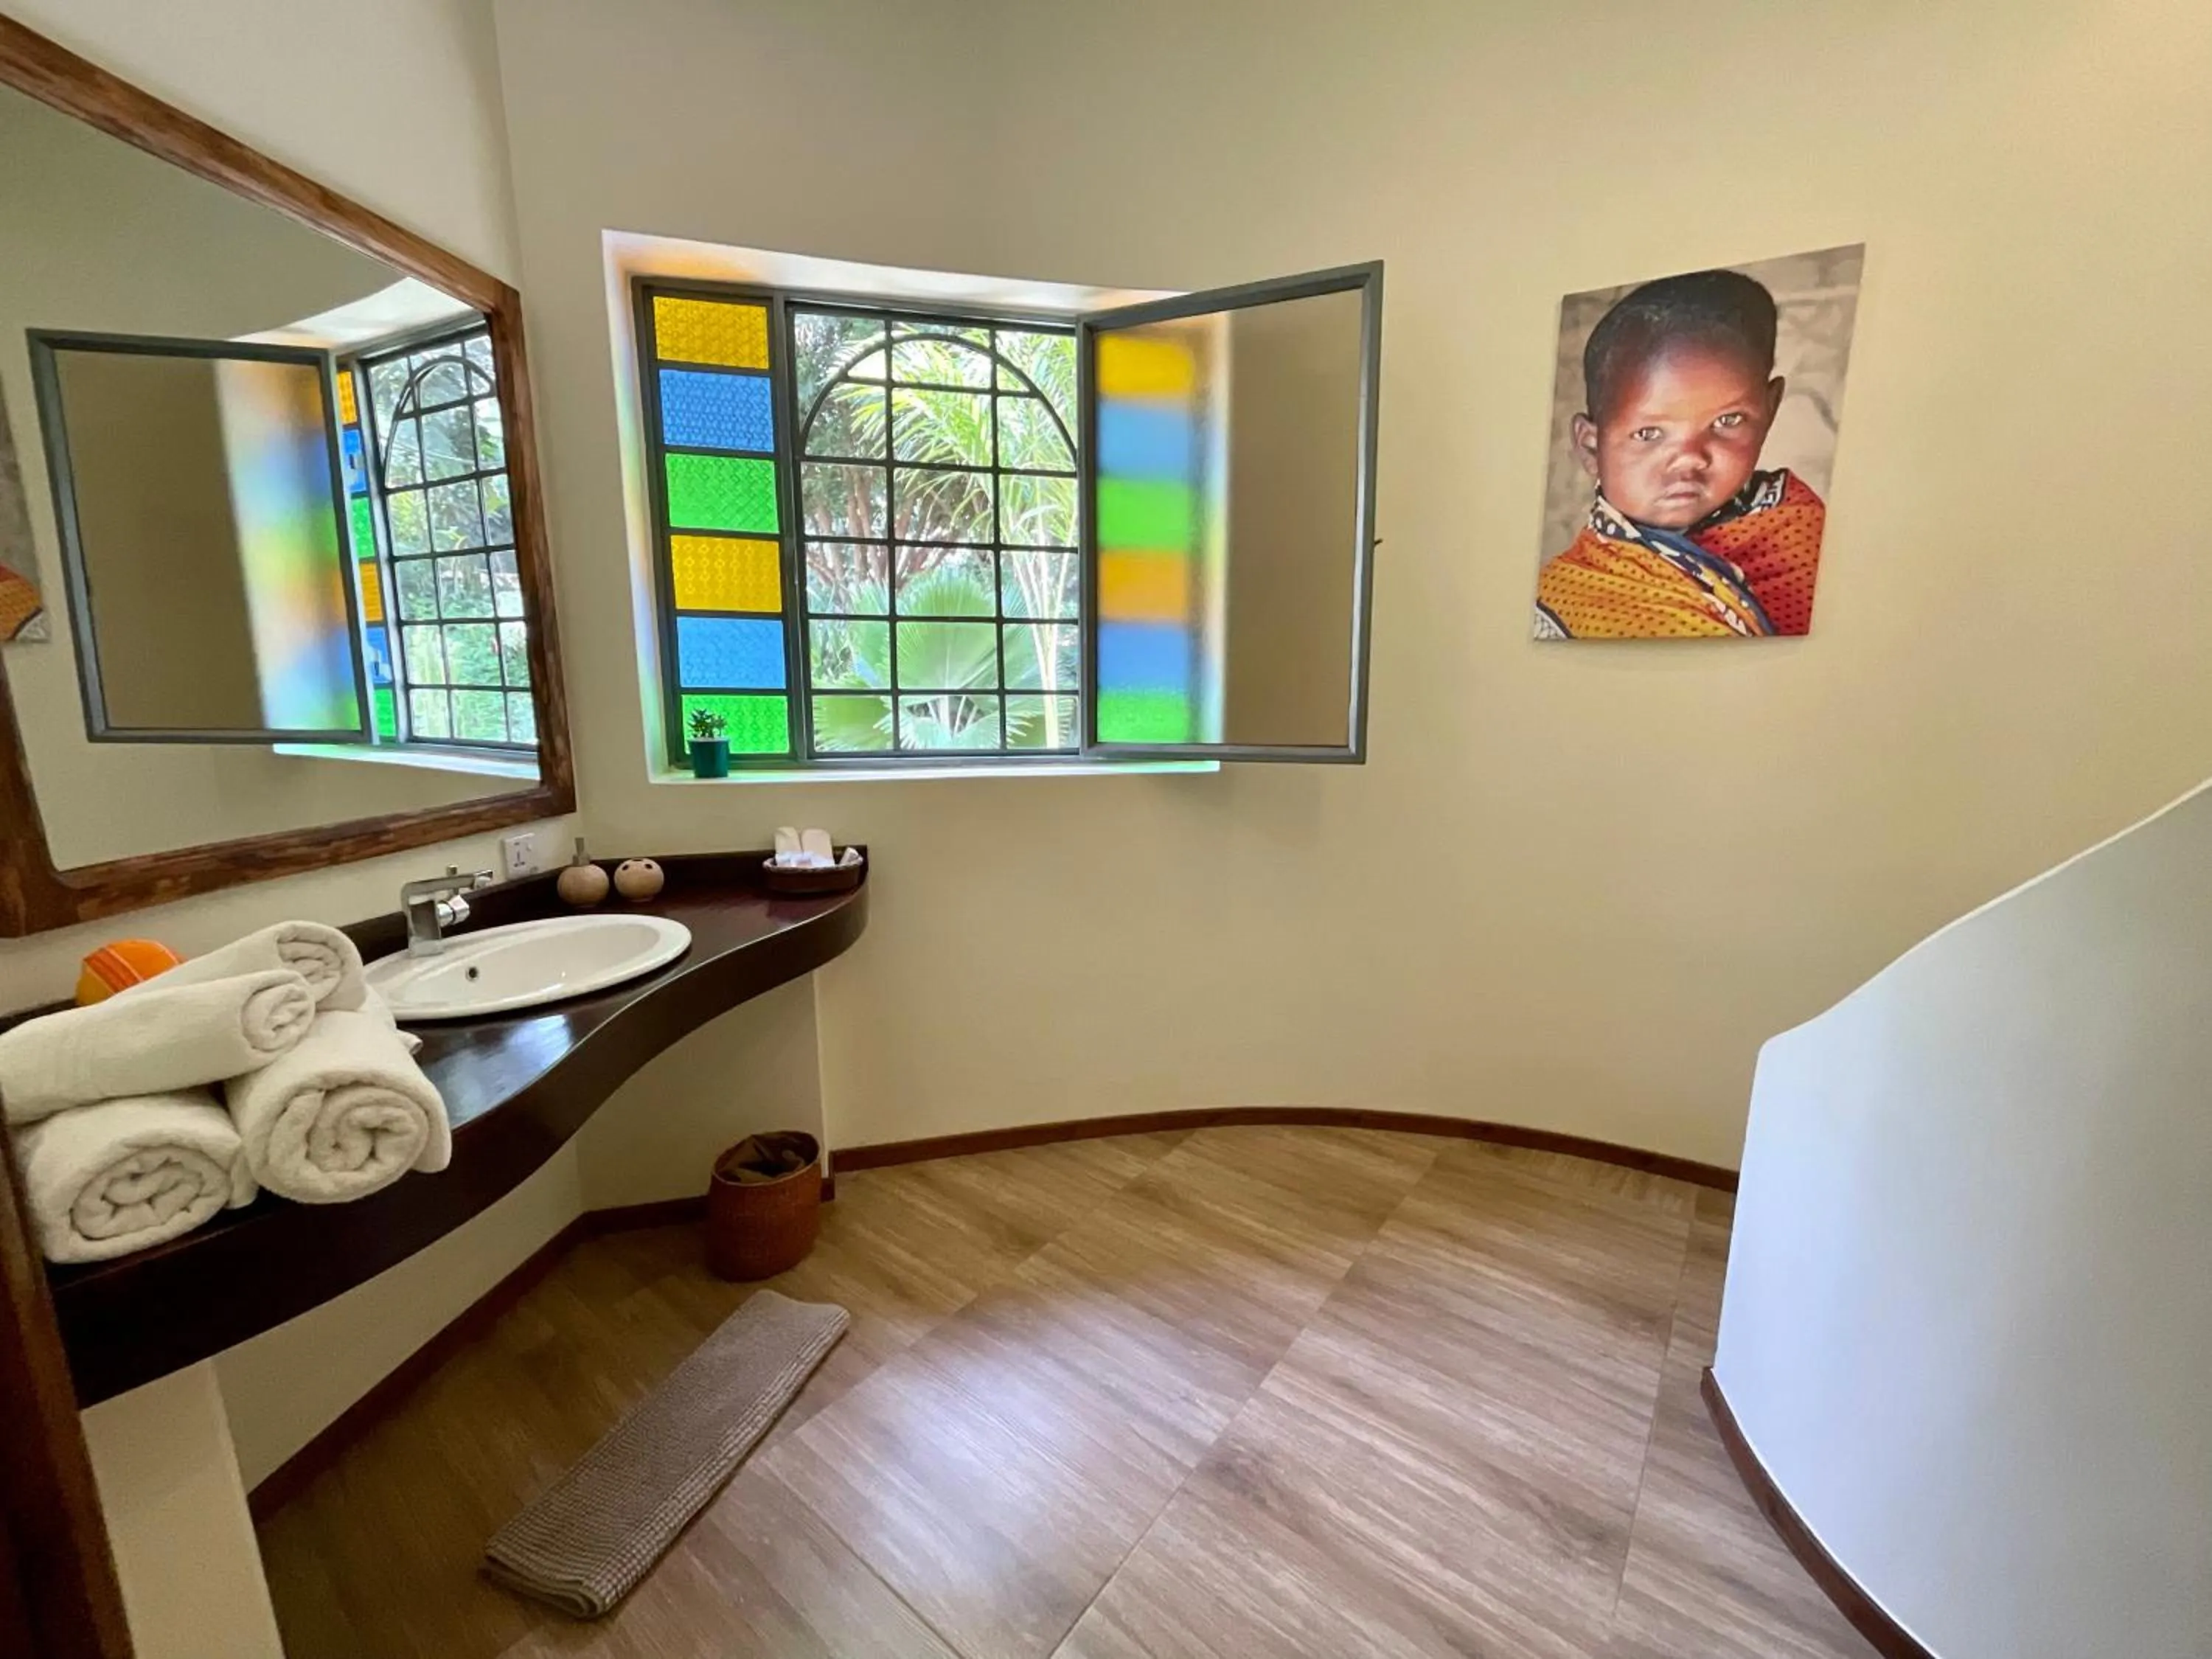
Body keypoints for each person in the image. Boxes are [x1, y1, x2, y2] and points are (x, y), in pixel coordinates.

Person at [1534, 268, 1825, 639]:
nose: (1690, 457)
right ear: (1592, 447)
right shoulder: (1566, 597)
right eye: (1649, 433)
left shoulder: (1800, 533)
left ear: (1769, 411)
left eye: (1728, 420)